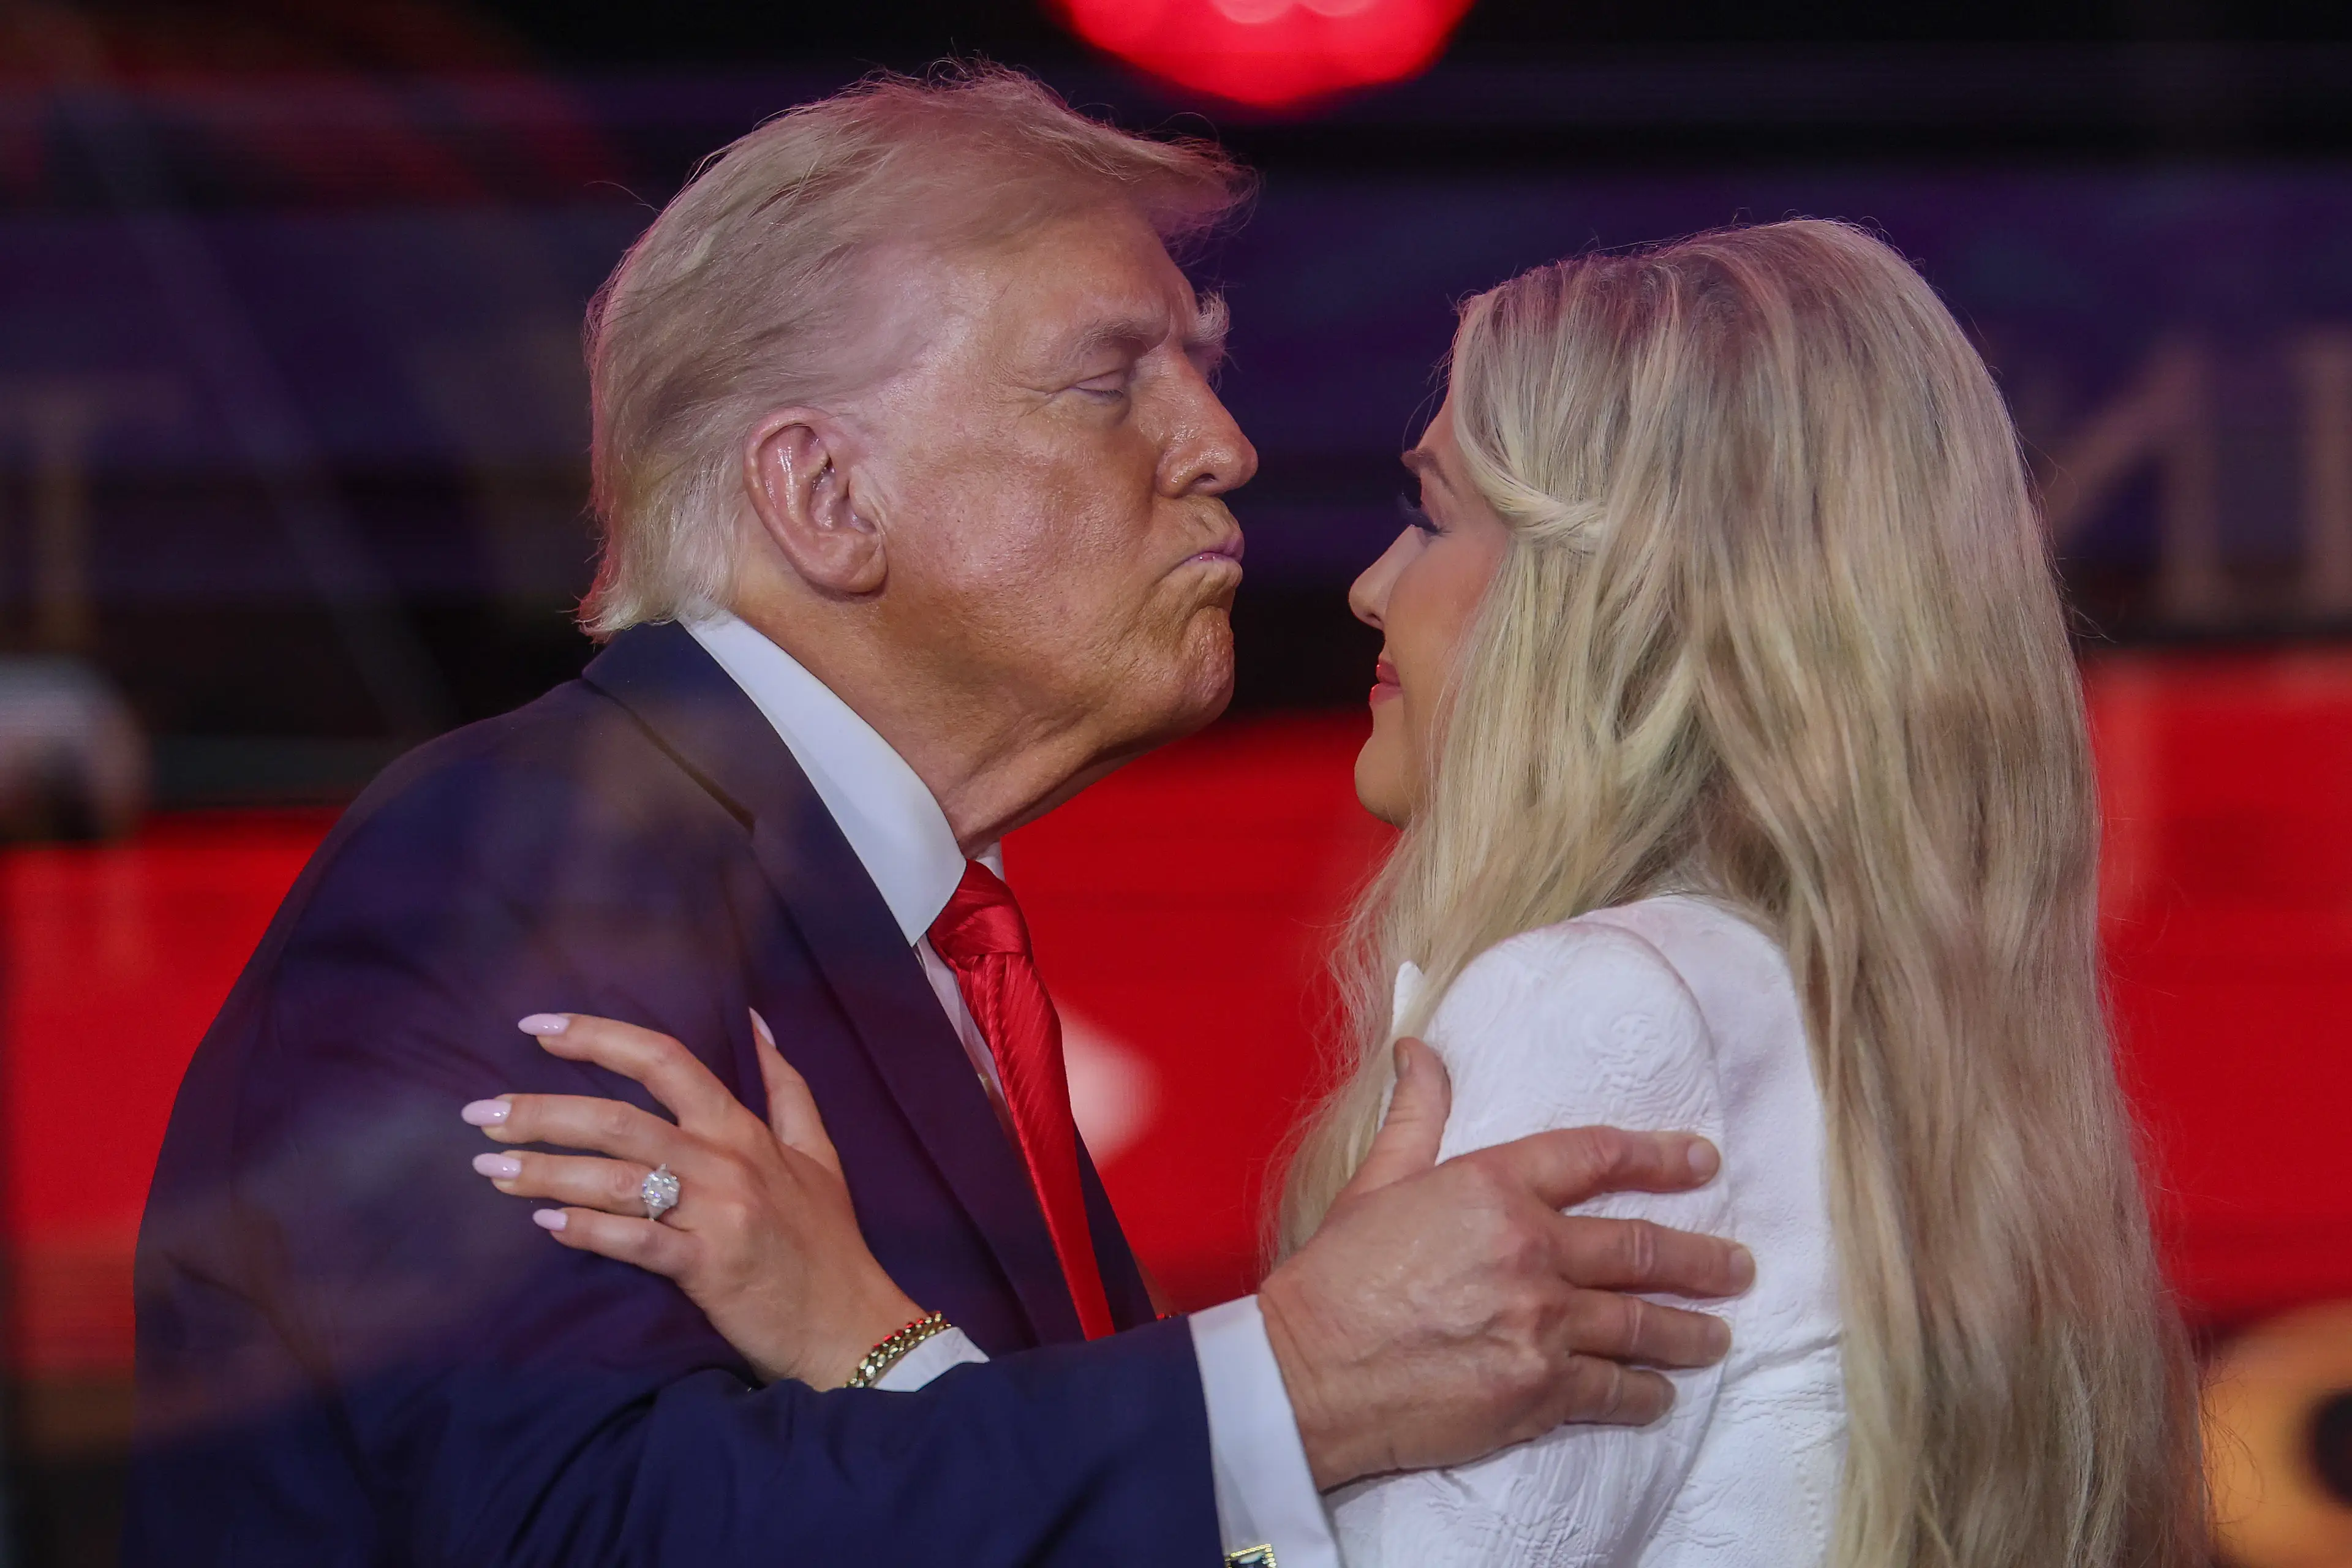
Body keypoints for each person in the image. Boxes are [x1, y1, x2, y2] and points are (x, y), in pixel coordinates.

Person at [124, 69, 1753, 1568]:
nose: (1224, 444)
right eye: (1115, 377)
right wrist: (1296, 1383)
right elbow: (583, 1526)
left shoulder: (876, 919)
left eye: (1202, 361)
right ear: (827, 499)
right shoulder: (517, 861)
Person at [483, 222, 2212, 1566]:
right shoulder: (1864, 1011)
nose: (1377, 587)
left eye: (1440, 516)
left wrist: (863, 1337)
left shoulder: (1614, 1005)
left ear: (1615, 607)